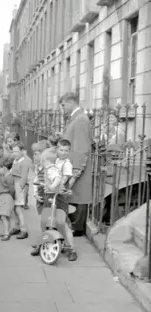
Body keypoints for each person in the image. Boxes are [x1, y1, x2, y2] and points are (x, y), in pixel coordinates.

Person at [31, 148, 77, 261]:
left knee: (63, 223)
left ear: (45, 160)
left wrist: (52, 187)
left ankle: (72, 249)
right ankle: (43, 243)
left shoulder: (52, 169)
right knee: (46, 221)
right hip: (50, 198)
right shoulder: (47, 168)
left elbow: (57, 179)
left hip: (58, 198)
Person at [60, 92, 93, 235]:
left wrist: (76, 170)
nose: (62, 109)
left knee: (78, 197)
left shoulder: (80, 119)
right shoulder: (77, 118)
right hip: (71, 165)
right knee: (74, 197)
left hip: (76, 167)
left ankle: (77, 228)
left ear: (70, 102)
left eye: (63, 105)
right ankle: (75, 226)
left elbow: (80, 148)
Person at [9, 142, 33, 239]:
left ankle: (24, 230)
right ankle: (17, 226)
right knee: (15, 208)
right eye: (13, 151)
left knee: (19, 208)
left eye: (16, 152)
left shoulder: (25, 161)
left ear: (22, 151)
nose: (14, 154)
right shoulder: (16, 160)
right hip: (14, 185)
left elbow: (24, 176)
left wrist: (20, 188)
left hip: (19, 186)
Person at [0, 157, 16, 241]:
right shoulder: (5, 176)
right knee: (6, 217)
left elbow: (11, 189)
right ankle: (6, 231)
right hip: (3, 197)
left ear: (4, 168)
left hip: (6, 197)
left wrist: (13, 197)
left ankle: (6, 233)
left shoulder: (7, 177)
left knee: (4, 217)